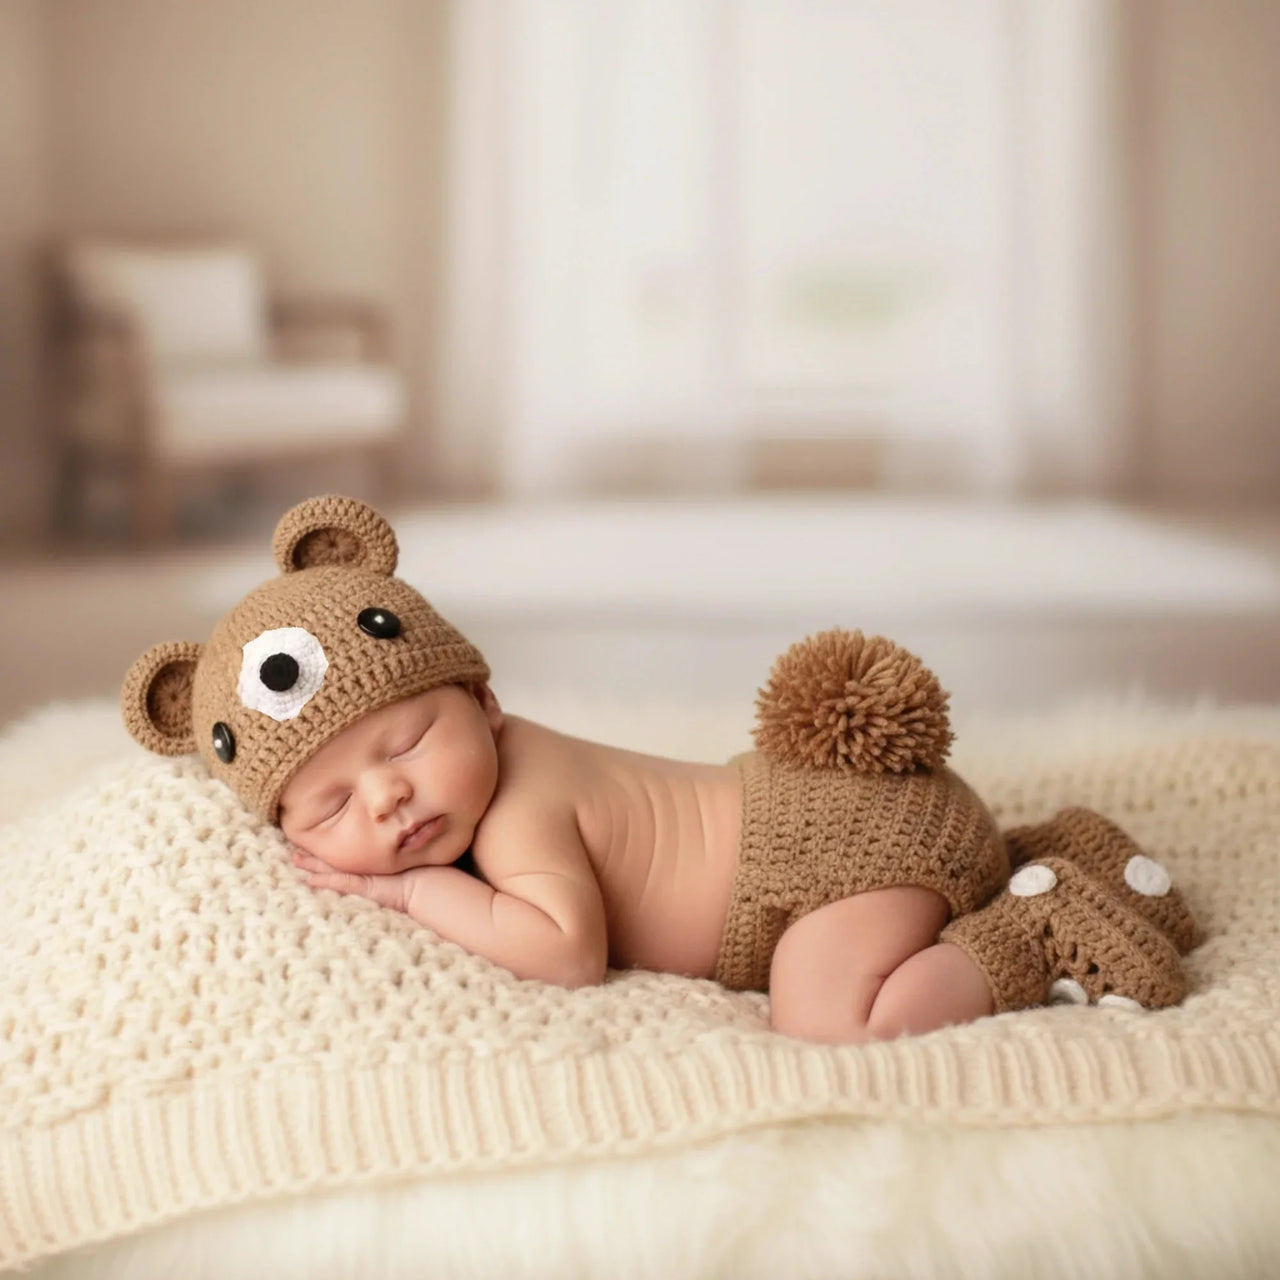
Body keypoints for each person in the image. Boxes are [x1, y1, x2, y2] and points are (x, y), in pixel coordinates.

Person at [121, 495, 1198, 1045]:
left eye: (402, 745)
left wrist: (408, 888)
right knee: (861, 952)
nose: (388, 796)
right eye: (330, 803)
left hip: (827, 856)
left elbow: (563, 950)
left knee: (829, 1019)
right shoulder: (494, 770)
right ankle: (1029, 853)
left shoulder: (518, 804)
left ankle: (1036, 922)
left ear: (487, 704)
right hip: (854, 825)